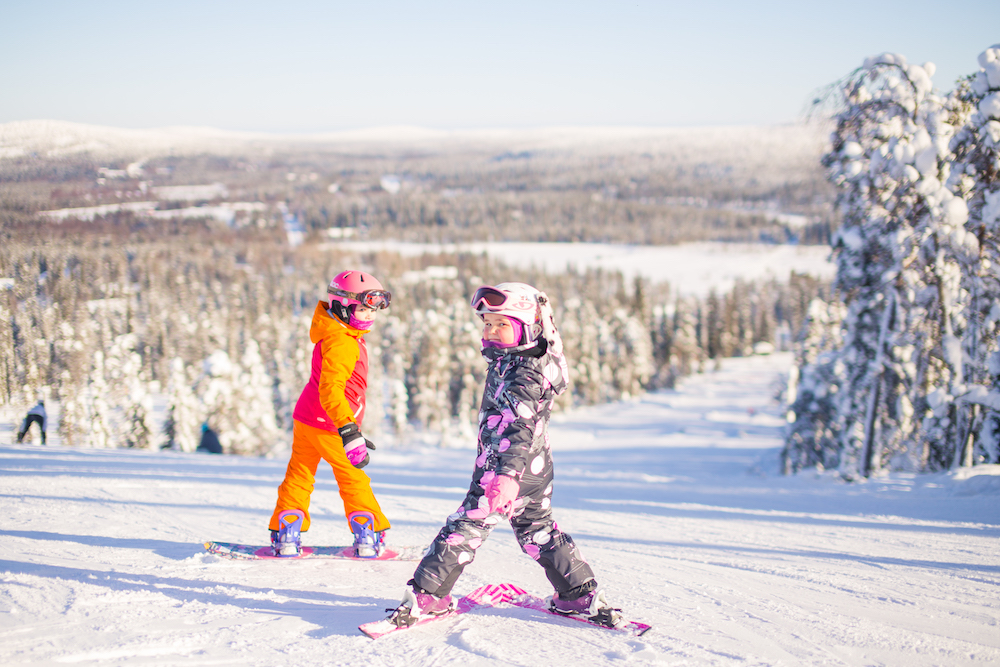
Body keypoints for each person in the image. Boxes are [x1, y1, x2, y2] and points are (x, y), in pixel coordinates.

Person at [383, 282, 623, 628]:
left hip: (505, 468)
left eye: (502, 324)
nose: (492, 331)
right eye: (487, 323)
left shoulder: (522, 372)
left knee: (466, 526)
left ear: (526, 326)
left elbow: (518, 425)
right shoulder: (521, 359)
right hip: (535, 467)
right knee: (537, 529)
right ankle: (578, 595)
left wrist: (506, 476)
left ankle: (428, 596)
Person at [269, 270, 392, 558]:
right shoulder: (343, 342)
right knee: (352, 477)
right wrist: (349, 431)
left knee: (299, 475)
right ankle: (367, 535)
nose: (369, 316)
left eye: (372, 310)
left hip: (307, 418)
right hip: (330, 423)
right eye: (362, 309)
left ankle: (287, 533)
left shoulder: (336, 332)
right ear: (339, 306)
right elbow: (331, 390)